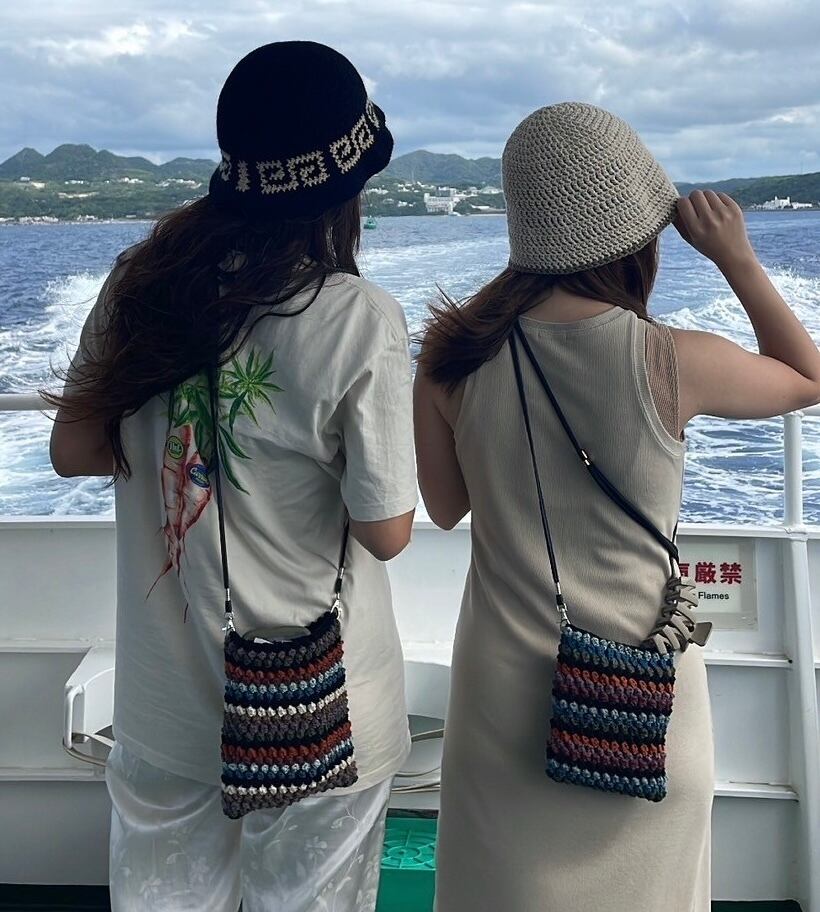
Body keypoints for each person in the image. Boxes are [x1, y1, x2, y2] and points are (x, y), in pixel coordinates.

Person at [414, 102, 820, 912]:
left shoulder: (451, 356)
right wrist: (737, 258)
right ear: (638, 237)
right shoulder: (673, 358)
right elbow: (808, 376)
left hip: (503, 705)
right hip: (646, 699)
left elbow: (445, 505)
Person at [47, 41, 417, 912]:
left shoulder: (138, 286)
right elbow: (386, 531)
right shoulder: (356, 317)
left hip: (164, 705)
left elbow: (74, 451)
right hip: (321, 706)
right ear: (345, 191)